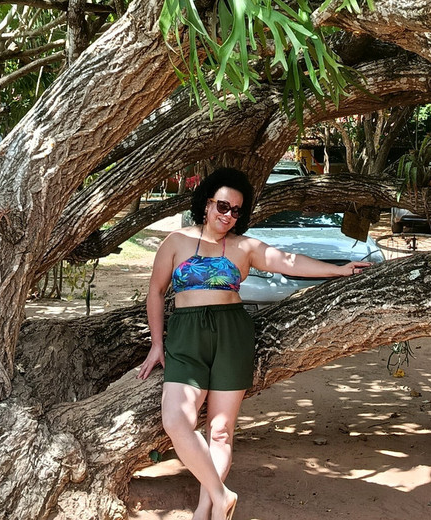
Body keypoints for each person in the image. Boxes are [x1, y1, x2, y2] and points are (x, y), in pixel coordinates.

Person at [137, 167, 369, 520]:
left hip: (232, 334)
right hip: (185, 335)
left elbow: (289, 263)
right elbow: (155, 292)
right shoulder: (176, 241)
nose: (227, 215)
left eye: (235, 211)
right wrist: (157, 344)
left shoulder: (245, 247)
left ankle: (206, 511)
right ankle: (221, 494)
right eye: (222, 206)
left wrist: (338, 270)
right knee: (176, 421)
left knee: (220, 430)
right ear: (207, 203)